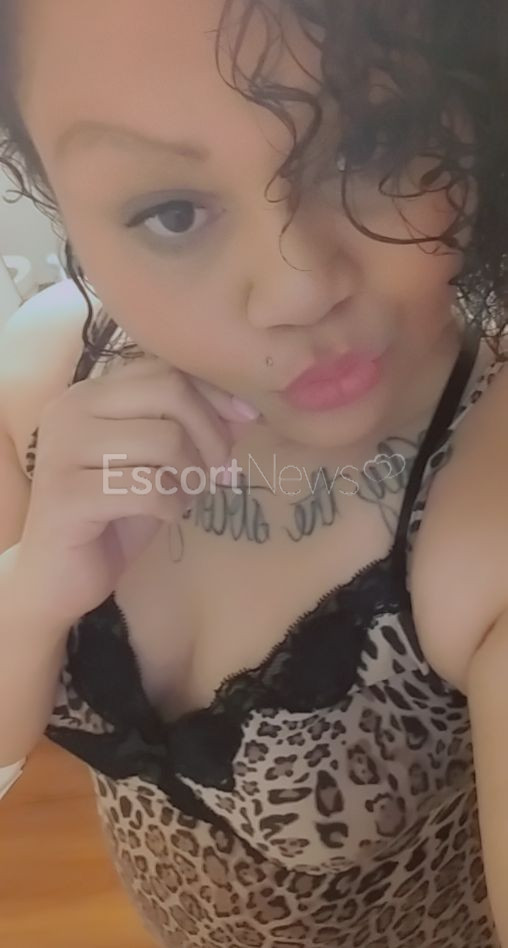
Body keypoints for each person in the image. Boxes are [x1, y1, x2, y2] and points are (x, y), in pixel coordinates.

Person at [0, 1, 507, 945]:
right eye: (172, 211)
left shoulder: (487, 493)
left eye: (371, 146)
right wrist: (29, 596)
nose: (296, 288)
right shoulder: (42, 383)